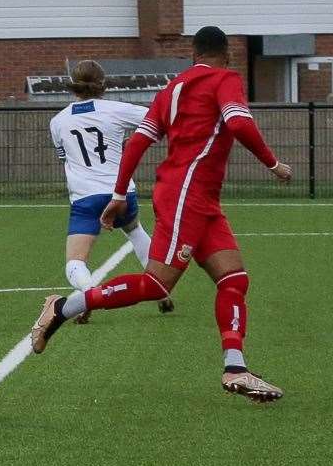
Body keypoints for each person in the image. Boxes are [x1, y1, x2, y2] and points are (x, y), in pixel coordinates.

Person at [30, 27, 292, 402]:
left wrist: (120, 192)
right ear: (228, 54)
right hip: (187, 195)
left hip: (197, 198)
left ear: (193, 54)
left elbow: (139, 141)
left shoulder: (172, 89)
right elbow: (238, 122)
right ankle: (63, 307)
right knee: (157, 285)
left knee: (234, 278)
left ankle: (236, 368)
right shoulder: (225, 79)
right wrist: (274, 164)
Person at [49, 60, 172, 322]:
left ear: (74, 87)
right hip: (121, 192)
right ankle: (160, 288)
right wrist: (134, 141)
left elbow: (65, 158)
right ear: (103, 85)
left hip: (85, 198)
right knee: (135, 231)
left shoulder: (58, 121)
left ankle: (89, 293)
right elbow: (158, 119)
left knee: (75, 262)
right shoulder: (115, 109)